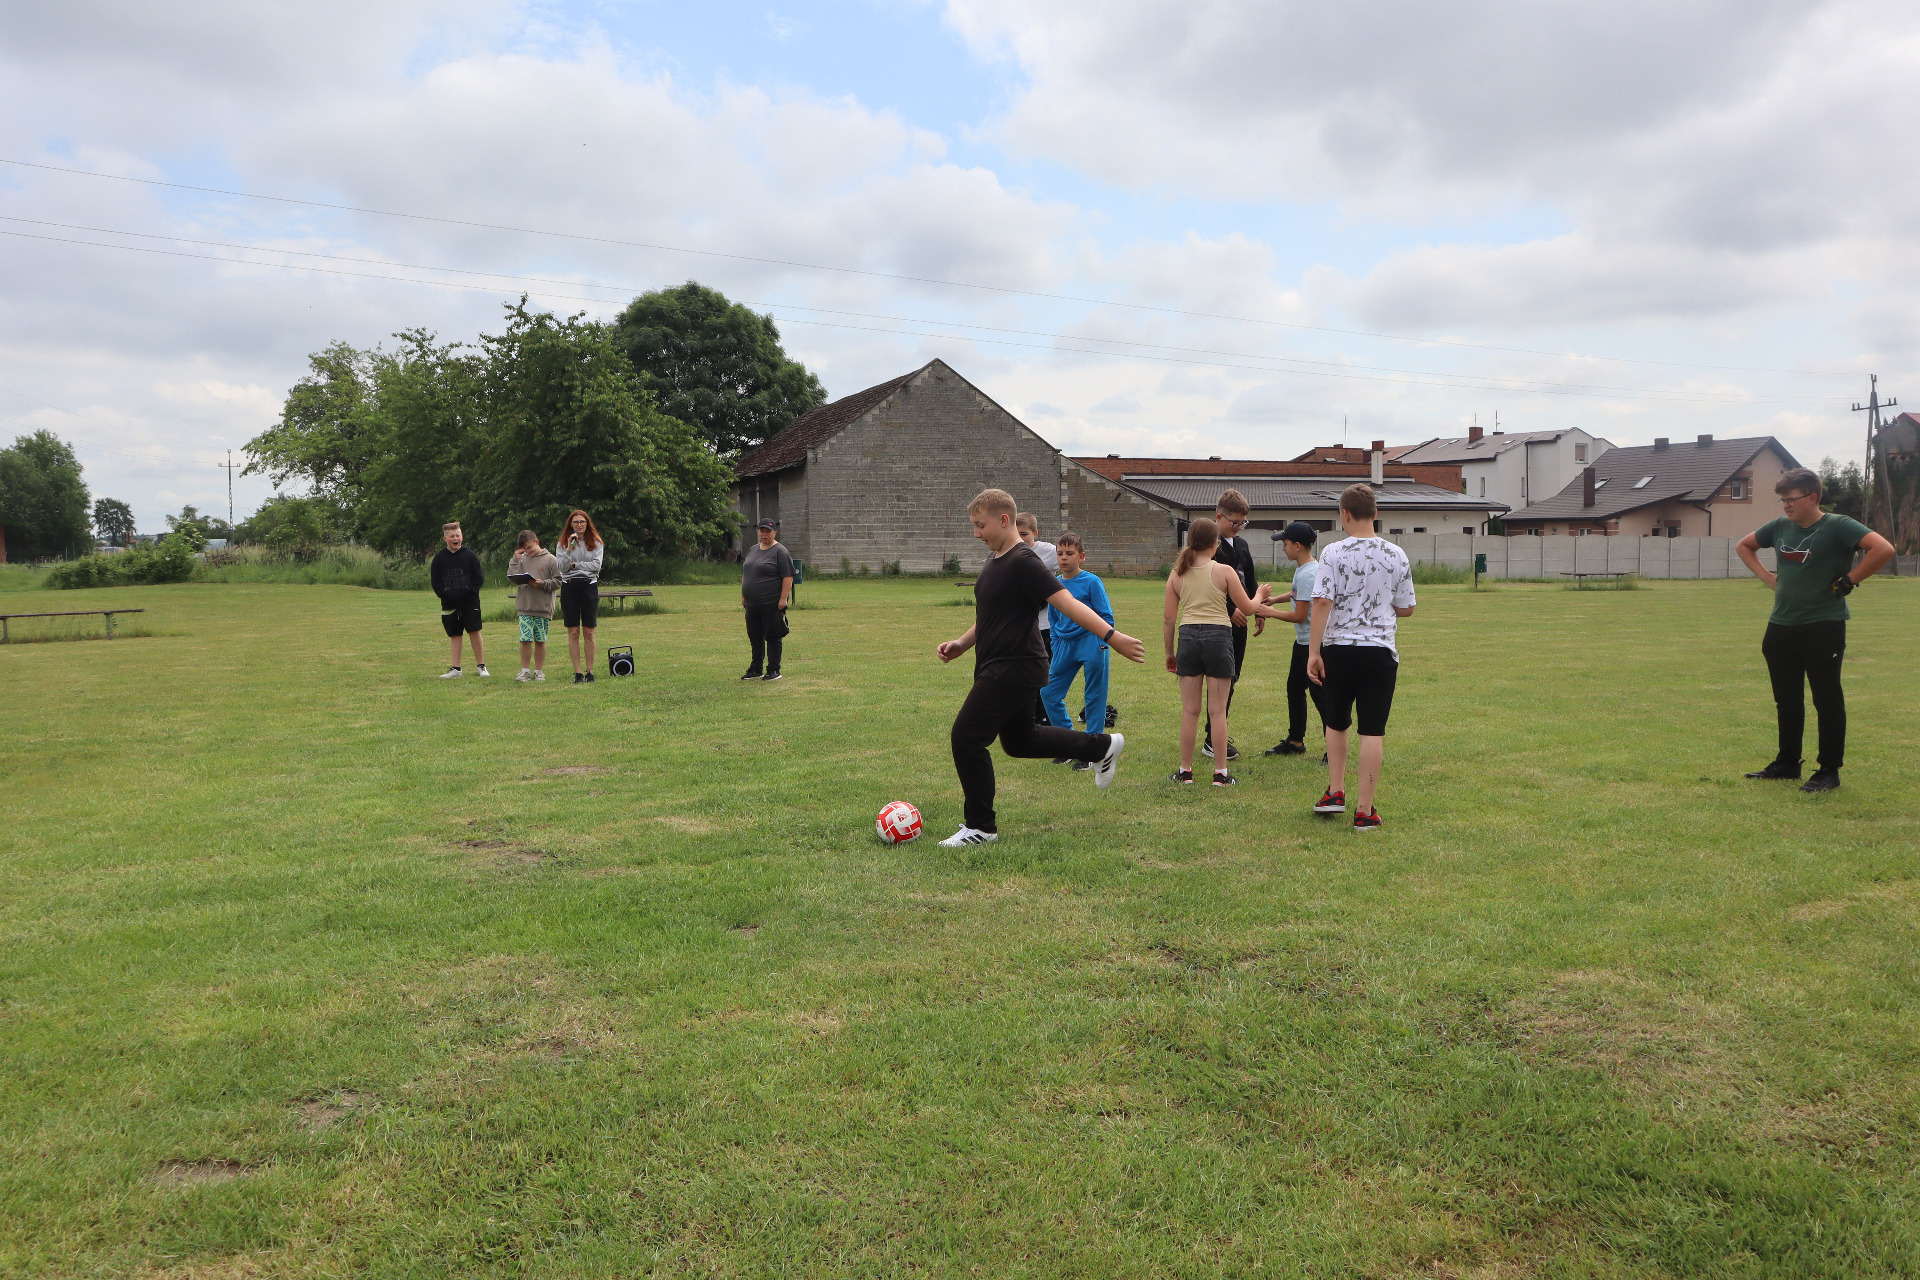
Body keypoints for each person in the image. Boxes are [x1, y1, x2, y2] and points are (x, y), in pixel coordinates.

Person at [936, 489, 1148, 846]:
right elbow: (990, 615)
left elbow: (1067, 603)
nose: (976, 533)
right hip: (997, 662)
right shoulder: (995, 560)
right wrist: (962, 643)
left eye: (980, 525)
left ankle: (980, 827)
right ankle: (1101, 746)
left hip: (1014, 665)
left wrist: (1112, 636)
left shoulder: (1024, 561)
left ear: (1004, 520)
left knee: (966, 737)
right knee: (1021, 741)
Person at [1736, 467, 1894, 792]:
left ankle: (1828, 770)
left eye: (1791, 499)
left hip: (1823, 626)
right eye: (1782, 500)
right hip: (1781, 626)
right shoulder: (1779, 527)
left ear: (1812, 497)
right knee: (1787, 699)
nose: (1786, 505)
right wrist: (1767, 577)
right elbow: (1744, 545)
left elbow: (1884, 549)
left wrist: (1851, 580)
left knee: (1826, 698)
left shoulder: (1838, 525)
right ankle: (1787, 763)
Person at [1307, 484, 1415, 831]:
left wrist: (1313, 651)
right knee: (1372, 730)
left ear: (1344, 514)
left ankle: (1335, 792)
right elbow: (1407, 607)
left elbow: (1322, 601)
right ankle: (1364, 810)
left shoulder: (1332, 552)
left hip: (1338, 650)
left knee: (1336, 722)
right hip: (1380, 652)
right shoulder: (1397, 554)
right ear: (1375, 513)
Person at [1162, 517, 1290, 786]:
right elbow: (1249, 607)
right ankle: (1221, 773)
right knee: (1217, 711)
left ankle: (1185, 771)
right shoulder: (1224, 571)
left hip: (1188, 638)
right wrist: (1261, 592)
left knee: (1190, 711)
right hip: (1218, 638)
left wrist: (1169, 653)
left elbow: (1169, 620)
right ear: (1215, 544)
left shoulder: (1176, 573)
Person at [1041, 532, 1114, 771]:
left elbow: (1106, 616)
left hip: (1092, 642)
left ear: (1081, 557)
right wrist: (1055, 642)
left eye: (1069, 553)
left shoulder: (1092, 582)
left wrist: (1102, 642)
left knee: (1094, 696)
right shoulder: (1054, 584)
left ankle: (1092, 750)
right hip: (1064, 645)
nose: (1064, 558)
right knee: (1049, 692)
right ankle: (1068, 744)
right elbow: (1053, 619)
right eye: (1060, 553)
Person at [1204, 490, 1260, 763]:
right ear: (1219, 517)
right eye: (1234, 522)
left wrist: (1257, 609)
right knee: (1220, 681)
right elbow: (1207, 584)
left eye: (1242, 523)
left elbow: (1250, 580)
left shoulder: (1242, 545)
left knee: (1232, 678)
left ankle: (1216, 733)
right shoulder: (1209, 547)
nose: (1238, 527)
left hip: (1240, 624)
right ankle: (1212, 738)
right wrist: (1231, 609)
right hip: (1218, 623)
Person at [1264, 521, 1322, 758]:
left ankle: (1334, 749)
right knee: (1295, 689)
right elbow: (1297, 594)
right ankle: (1295, 741)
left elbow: (1300, 616)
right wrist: (1274, 600)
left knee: (1322, 697)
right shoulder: (1305, 569)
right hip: (1302, 643)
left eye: (1285, 544)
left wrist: (1270, 612)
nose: (1283, 548)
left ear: (1298, 546)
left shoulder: (1309, 574)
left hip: (1313, 646)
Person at [429, 521, 488, 678]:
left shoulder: (470, 556)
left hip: (470, 602)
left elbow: (478, 578)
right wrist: (445, 594)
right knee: (455, 634)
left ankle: (481, 666)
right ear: (445, 539)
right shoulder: (439, 558)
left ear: (462, 536)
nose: (455, 538)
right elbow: (436, 582)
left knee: (474, 631)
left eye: (458, 535)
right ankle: (456, 668)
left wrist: (468, 592)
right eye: (452, 536)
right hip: (450, 603)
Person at [1016, 513, 1059, 725]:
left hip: (1045, 625)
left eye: (1024, 534)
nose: (1021, 538)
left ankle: (1045, 716)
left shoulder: (1048, 552)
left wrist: (1048, 592)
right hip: (1020, 625)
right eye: (1017, 534)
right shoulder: (1008, 552)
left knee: (1044, 671)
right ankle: (1028, 715)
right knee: (1023, 671)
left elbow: (1070, 566)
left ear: (1035, 533)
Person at [740, 517, 794, 681]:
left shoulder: (780, 552)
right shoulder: (753, 549)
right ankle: (756, 668)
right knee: (754, 636)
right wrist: (743, 594)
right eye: (762, 531)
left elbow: (788, 577)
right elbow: (747, 573)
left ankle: (773, 669)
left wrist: (783, 599)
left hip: (771, 602)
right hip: (752, 603)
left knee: (772, 635)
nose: (764, 534)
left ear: (774, 532)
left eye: (768, 531)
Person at [554, 509, 604, 685]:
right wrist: (569, 548)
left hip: (589, 586)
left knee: (589, 631)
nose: (579, 525)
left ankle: (590, 671)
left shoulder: (596, 542)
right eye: (575, 522)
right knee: (573, 631)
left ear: (587, 523)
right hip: (569, 587)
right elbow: (562, 567)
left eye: (582, 521)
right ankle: (578, 673)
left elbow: (596, 566)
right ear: (571, 524)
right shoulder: (562, 544)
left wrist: (575, 565)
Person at [508, 529, 561, 682]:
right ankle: (525, 671)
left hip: (542, 607)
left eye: (529, 547)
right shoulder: (521, 559)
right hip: (525, 606)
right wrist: (515, 560)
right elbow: (511, 576)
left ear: (537, 542)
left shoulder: (551, 559)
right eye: (525, 549)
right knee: (525, 639)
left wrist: (542, 584)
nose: (528, 551)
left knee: (540, 640)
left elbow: (558, 581)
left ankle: (539, 671)